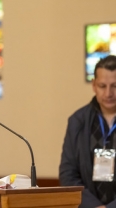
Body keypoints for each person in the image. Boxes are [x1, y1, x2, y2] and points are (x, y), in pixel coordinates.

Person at [59, 55, 116, 208]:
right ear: (94, 85)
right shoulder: (77, 121)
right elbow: (68, 174)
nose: (108, 93)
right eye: (102, 86)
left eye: (114, 86)